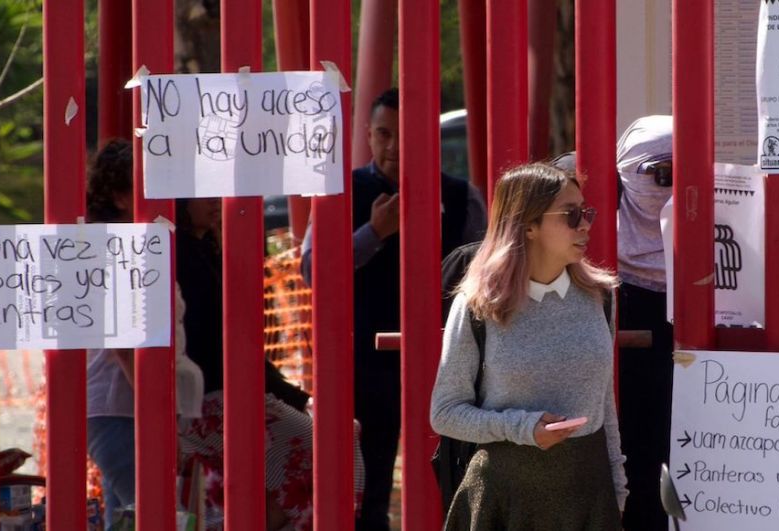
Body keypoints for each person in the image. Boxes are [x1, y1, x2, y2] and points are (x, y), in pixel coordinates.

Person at [301, 88, 486, 530]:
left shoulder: (462, 196)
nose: (393, 147)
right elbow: (312, 271)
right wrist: (375, 231)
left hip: (447, 358)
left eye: (405, 135)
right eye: (383, 134)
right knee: (369, 482)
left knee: (456, 474)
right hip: (364, 361)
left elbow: (486, 272)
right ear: (367, 134)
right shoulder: (341, 191)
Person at [430, 163, 626, 530]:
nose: (585, 224)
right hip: (503, 498)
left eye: (586, 212)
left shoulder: (601, 298)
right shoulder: (477, 304)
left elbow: (604, 404)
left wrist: (619, 490)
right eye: (570, 214)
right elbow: (445, 413)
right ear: (528, 225)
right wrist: (523, 428)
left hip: (588, 493)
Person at [174, 197, 363, 531]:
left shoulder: (207, 250)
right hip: (206, 399)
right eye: (202, 193)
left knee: (338, 438)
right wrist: (296, 397)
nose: (214, 202)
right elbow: (220, 346)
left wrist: (296, 396)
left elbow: (240, 347)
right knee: (332, 445)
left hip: (230, 392)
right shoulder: (183, 257)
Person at [85, 139, 204, 528]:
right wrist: (160, 413)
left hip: (119, 405)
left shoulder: (128, 245)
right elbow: (124, 344)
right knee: (151, 513)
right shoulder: (122, 250)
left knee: (124, 517)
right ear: (121, 197)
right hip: (124, 405)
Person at [615, 115, 675, 531]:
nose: (669, 185)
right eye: (659, 172)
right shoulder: (588, 226)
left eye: (682, 169)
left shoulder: (712, 216)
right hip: (618, 376)